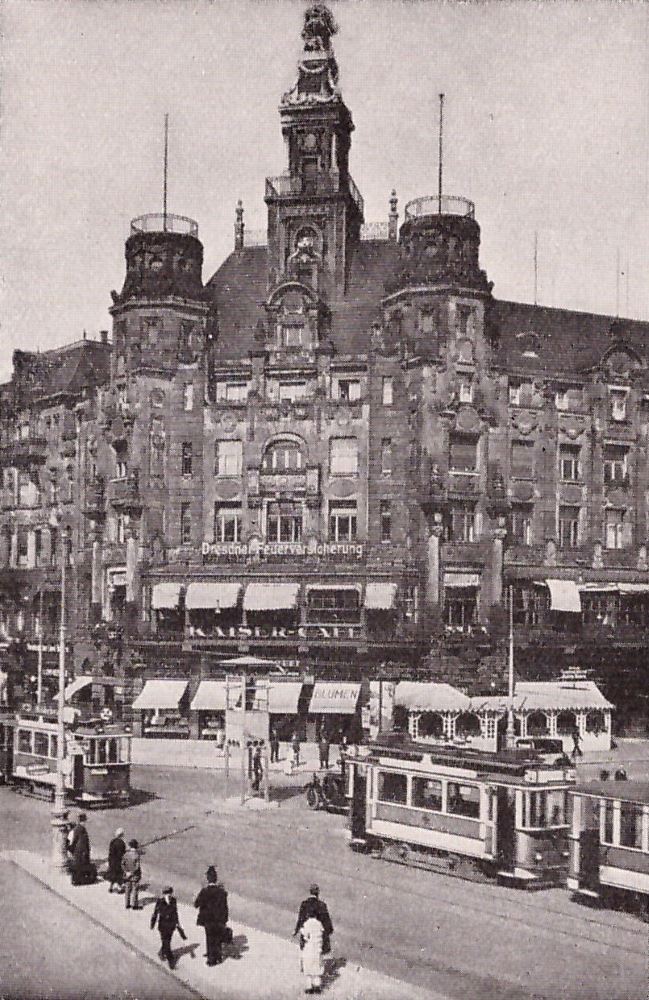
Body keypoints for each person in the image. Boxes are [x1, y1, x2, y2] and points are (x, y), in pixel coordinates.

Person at [194, 865, 229, 966]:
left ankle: (211, 959)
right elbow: (225, 907)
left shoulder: (204, 891)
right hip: (218, 920)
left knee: (210, 938)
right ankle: (218, 957)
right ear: (216, 879)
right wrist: (224, 920)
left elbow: (196, 904)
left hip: (208, 920)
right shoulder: (222, 892)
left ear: (208, 879)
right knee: (217, 937)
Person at [150, 885, 186, 970]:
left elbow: (175, 912)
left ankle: (161, 953)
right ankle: (171, 961)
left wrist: (177, 923)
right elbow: (155, 913)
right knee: (167, 943)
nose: (168, 895)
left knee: (167, 941)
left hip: (171, 925)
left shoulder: (174, 901)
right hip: (162, 926)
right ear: (164, 894)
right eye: (166, 893)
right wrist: (152, 923)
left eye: (170, 893)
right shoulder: (160, 901)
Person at [294, 884, 334, 957]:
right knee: (317, 957)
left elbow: (300, 919)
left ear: (310, 892)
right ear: (318, 893)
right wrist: (329, 931)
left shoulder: (304, 904)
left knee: (305, 954)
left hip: (306, 935)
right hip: (317, 937)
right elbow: (326, 921)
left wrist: (296, 931)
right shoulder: (322, 905)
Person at [299, 914, 325, 994]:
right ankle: (317, 986)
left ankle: (309, 987)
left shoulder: (307, 923)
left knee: (308, 968)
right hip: (317, 949)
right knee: (317, 968)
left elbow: (305, 936)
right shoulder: (319, 924)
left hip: (309, 948)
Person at [68, 812, 93, 886]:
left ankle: (76, 880)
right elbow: (76, 840)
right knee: (79, 866)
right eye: (84, 821)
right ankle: (76, 881)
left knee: (79, 866)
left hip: (80, 851)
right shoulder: (80, 829)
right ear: (83, 821)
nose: (85, 822)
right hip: (80, 851)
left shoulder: (79, 828)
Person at [122, 838, 142, 910]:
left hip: (127, 875)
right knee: (135, 890)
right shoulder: (136, 855)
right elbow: (137, 866)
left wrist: (126, 872)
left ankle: (127, 904)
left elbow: (122, 864)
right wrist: (132, 872)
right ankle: (134, 905)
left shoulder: (126, 854)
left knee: (127, 889)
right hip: (135, 876)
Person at [107, 828, 126, 893]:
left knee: (113, 874)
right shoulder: (122, 843)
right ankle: (119, 889)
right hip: (118, 861)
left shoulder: (112, 841)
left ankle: (111, 888)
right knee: (119, 875)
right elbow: (122, 853)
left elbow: (110, 851)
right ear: (121, 835)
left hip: (112, 860)